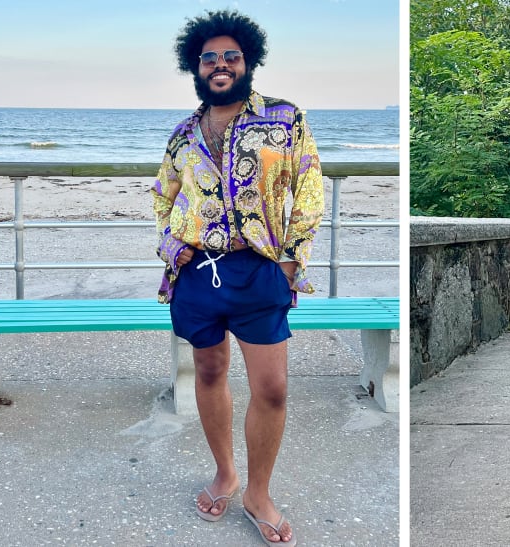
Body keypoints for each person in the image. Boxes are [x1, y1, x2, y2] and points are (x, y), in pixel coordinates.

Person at [150, 9, 323, 545]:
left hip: (261, 270)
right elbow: (163, 195)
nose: (220, 64)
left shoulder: (285, 117)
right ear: (194, 66)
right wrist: (171, 249)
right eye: (209, 58)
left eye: (231, 56)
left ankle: (258, 492)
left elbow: (310, 189)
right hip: (198, 273)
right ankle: (225, 473)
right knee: (208, 372)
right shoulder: (182, 135)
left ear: (247, 62)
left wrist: (292, 262)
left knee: (271, 389)